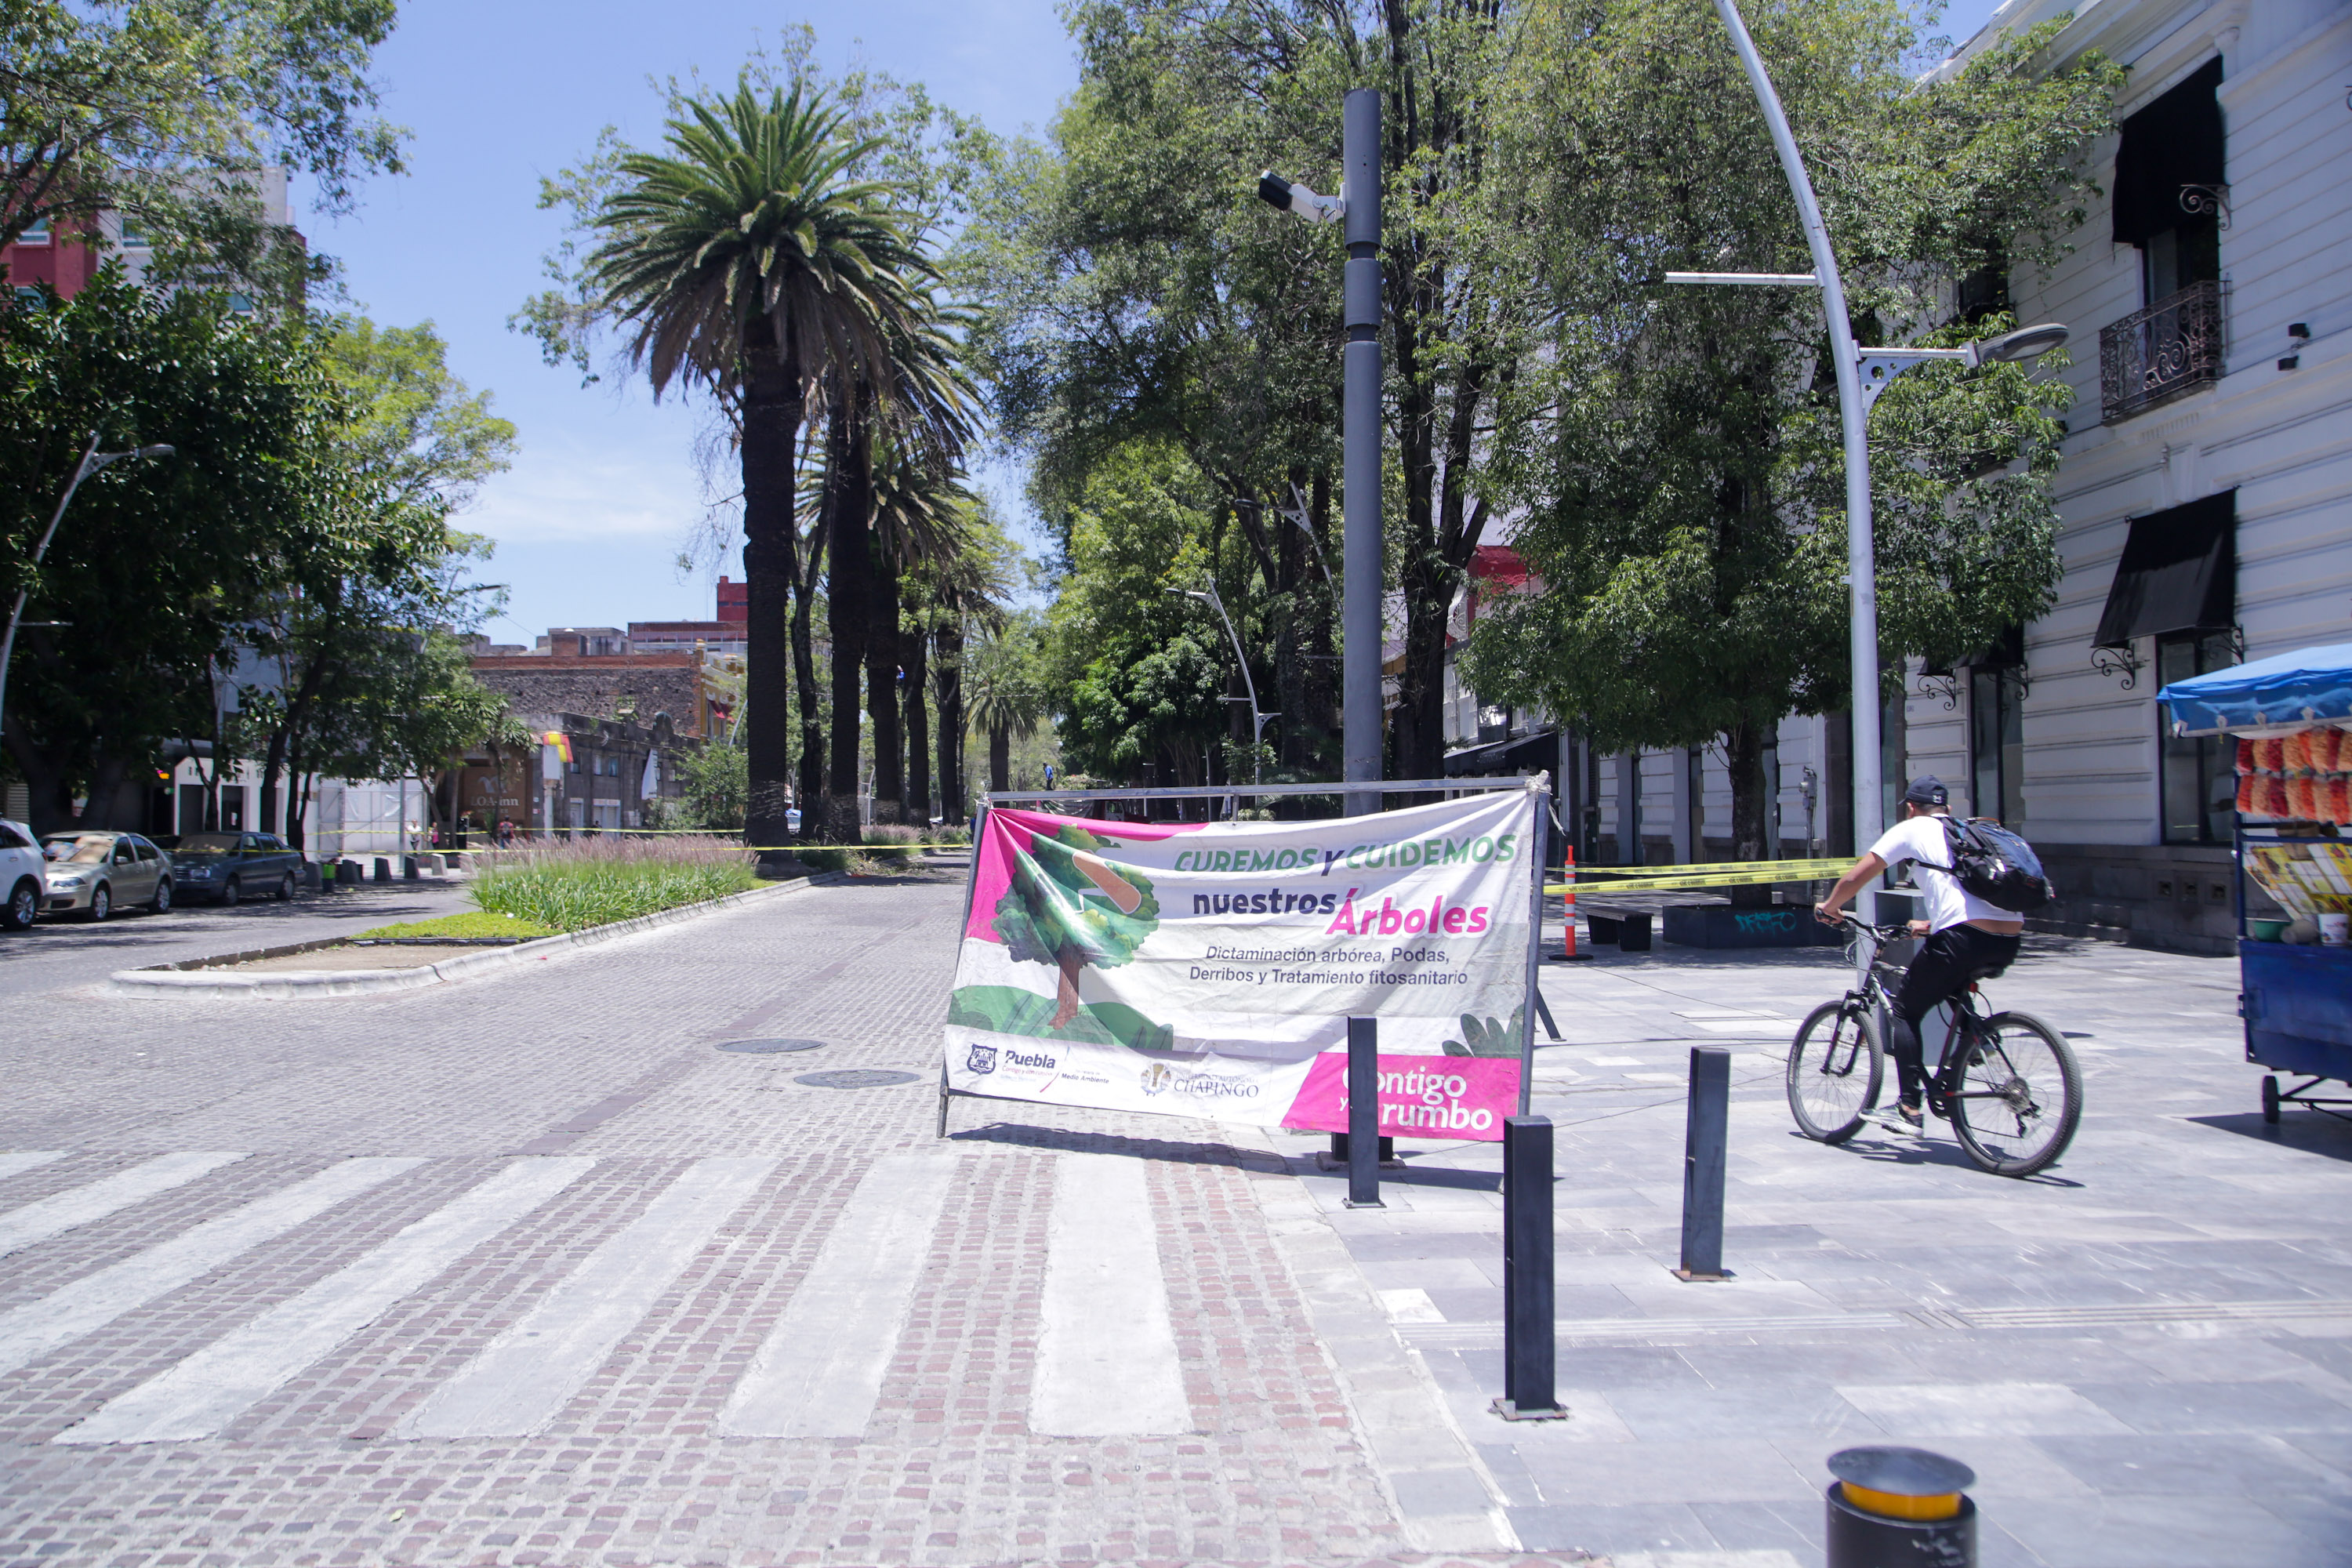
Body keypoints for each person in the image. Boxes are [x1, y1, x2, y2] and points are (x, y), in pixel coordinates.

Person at [1814, 775, 2024, 1130]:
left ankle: (1908, 1108)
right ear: (1947, 808)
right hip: (2008, 937)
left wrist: (1831, 907)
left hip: (1964, 937)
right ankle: (1977, 1043)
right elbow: (1967, 892)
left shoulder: (1912, 830)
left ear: (1911, 807)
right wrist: (1930, 926)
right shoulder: (1965, 832)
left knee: (1905, 1010)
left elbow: (1856, 878)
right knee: (1950, 988)